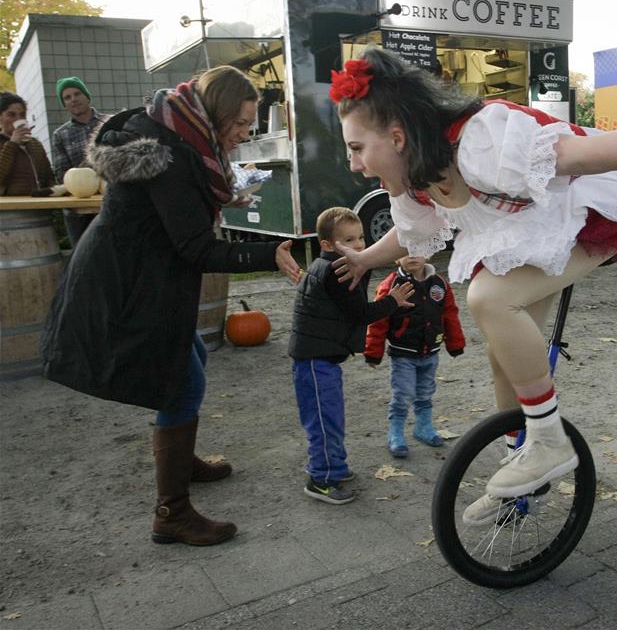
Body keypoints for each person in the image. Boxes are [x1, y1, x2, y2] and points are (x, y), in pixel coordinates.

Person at [327, 47, 617, 522]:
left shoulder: (479, 143)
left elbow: (584, 154)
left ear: (397, 137)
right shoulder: (417, 179)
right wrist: (363, 260)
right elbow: (411, 233)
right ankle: (525, 469)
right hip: (530, 232)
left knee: (490, 299)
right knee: (503, 354)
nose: (353, 164)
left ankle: (548, 440)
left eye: (356, 148)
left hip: (591, 214)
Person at [40, 66, 302, 547]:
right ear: (216, 114)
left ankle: (183, 462)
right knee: (182, 384)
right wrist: (269, 252)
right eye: (242, 123)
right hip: (129, 282)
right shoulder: (172, 154)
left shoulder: (177, 134)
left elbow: (182, 210)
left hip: (136, 271)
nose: (246, 133)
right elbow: (195, 248)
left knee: (192, 359)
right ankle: (171, 512)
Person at [289, 207, 414, 504]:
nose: (359, 245)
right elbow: (360, 313)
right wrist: (392, 301)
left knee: (332, 417)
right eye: (349, 240)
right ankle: (320, 479)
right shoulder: (336, 271)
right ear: (328, 245)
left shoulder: (338, 265)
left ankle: (335, 467)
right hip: (314, 361)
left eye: (360, 238)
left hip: (323, 359)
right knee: (323, 421)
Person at [364, 254, 465, 457]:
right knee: (403, 394)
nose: (412, 255)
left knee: (425, 392)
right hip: (403, 353)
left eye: (417, 249)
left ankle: (423, 427)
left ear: (428, 252)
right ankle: (396, 433)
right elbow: (378, 320)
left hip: (431, 351)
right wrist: (373, 352)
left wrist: (455, 343)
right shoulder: (392, 284)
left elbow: (449, 314)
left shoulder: (439, 284)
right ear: (395, 257)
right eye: (405, 250)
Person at [52, 76, 110, 246]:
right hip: (78, 207)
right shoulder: (60, 135)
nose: (73, 100)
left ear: (87, 96)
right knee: (81, 254)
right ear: (64, 104)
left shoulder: (110, 122)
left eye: (77, 93)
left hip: (110, 200)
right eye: (67, 97)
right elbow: (62, 173)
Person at [0, 92, 54, 196]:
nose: (18, 119)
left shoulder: (35, 144)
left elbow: (49, 177)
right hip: (12, 207)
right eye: (11, 114)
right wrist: (13, 144)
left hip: (41, 204)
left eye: (22, 115)